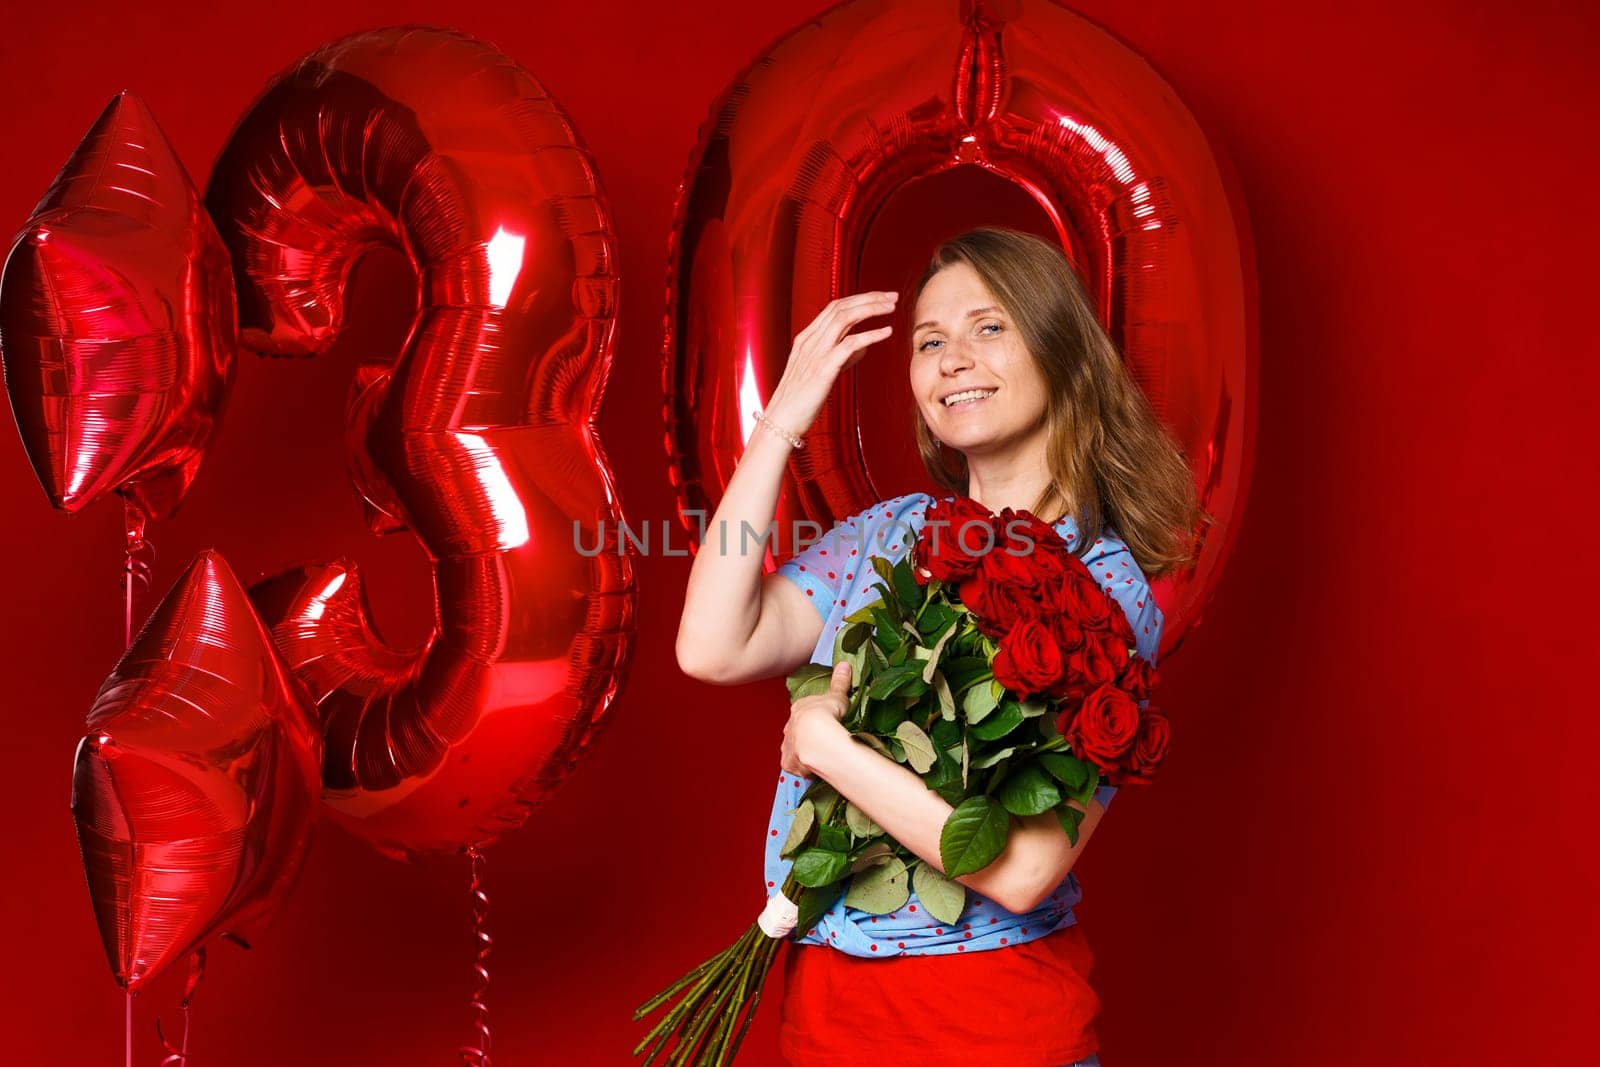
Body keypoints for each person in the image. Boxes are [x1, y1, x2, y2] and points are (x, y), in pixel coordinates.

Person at [675, 227, 1205, 1067]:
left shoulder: (1102, 583)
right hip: (827, 1017)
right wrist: (778, 426)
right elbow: (711, 644)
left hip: (987, 1026)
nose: (953, 357)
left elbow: (1024, 869)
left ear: (1061, 348)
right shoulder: (890, 534)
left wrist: (828, 748)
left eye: (988, 327)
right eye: (929, 341)